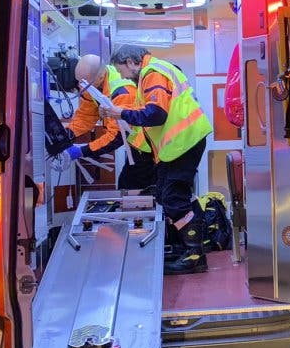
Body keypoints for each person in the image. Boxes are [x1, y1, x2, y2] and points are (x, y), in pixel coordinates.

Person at [100, 45, 213, 275]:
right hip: (179, 144)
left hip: (183, 141)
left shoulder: (152, 73)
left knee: (172, 197)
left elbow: (156, 114)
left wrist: (119, 113)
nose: (121, 76)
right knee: (165, 194)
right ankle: (193, 247)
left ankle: (194, 256)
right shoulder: (152, 73)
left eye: (121, 70)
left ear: (131, 62)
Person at [66, 52, 156, 192]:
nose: (81, 87)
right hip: (137, 146)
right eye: (79, 82)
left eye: (84, 83)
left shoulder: (123, 91)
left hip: (148, 146)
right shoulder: (92, 83)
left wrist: (81, 151)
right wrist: (67, 135)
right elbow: (86, 116)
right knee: (130, 188)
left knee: (130, 189)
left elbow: (116, 137)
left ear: (101, 77)